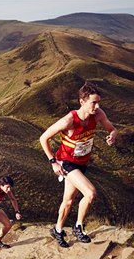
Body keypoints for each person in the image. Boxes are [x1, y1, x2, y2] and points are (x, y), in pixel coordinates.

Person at [39, 81, 117, 248]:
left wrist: (113, 135)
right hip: (66, 162)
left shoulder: (98, 114)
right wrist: (53, 162)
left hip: (81, 163)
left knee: (68, 201)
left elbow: (112, 128)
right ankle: (78, 227)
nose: (97, 106)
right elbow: (43, 138)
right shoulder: (69, 120)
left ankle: (58, 230)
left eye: (98, 102)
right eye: (93, 102)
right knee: (90, 193)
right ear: (82, 102)